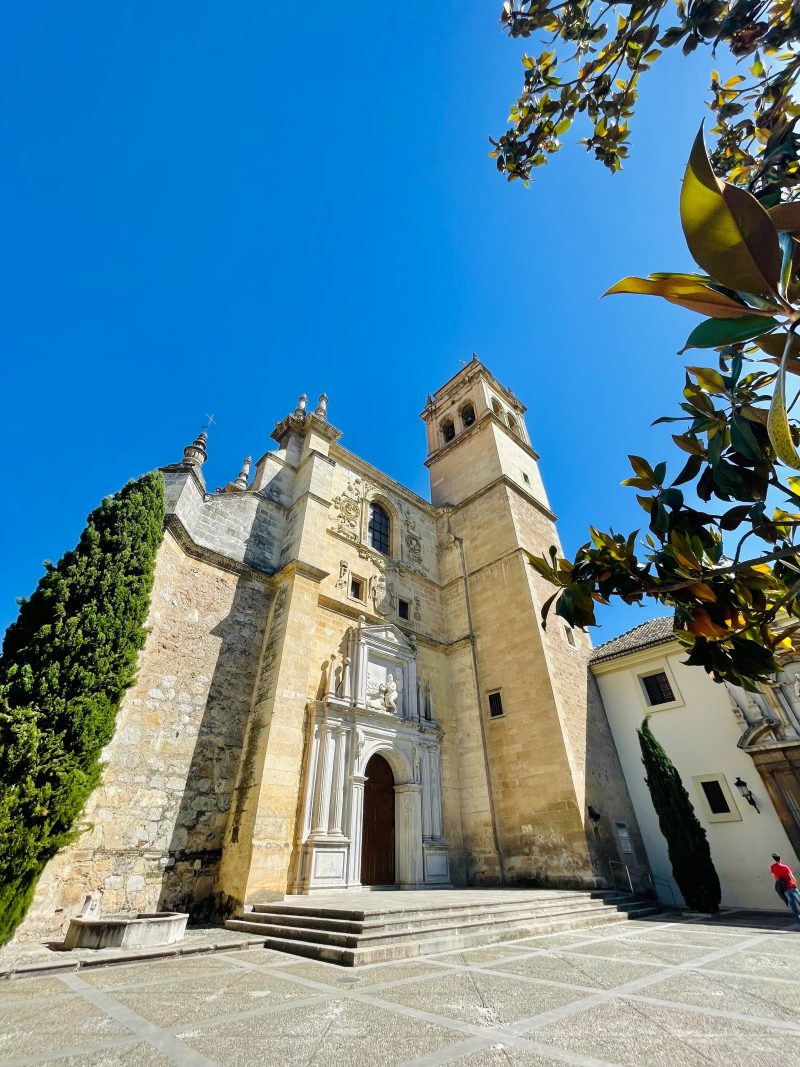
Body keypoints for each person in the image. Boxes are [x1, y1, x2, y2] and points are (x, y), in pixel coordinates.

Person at [770, 853, 800, 923]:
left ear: (774, 859)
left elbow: (776, 878)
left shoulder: (773, 867)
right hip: (792, 888)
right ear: (780, 859)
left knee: (794, 908)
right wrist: (795, 884)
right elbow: (792, 878)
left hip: (785, 890)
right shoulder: (785, 867)